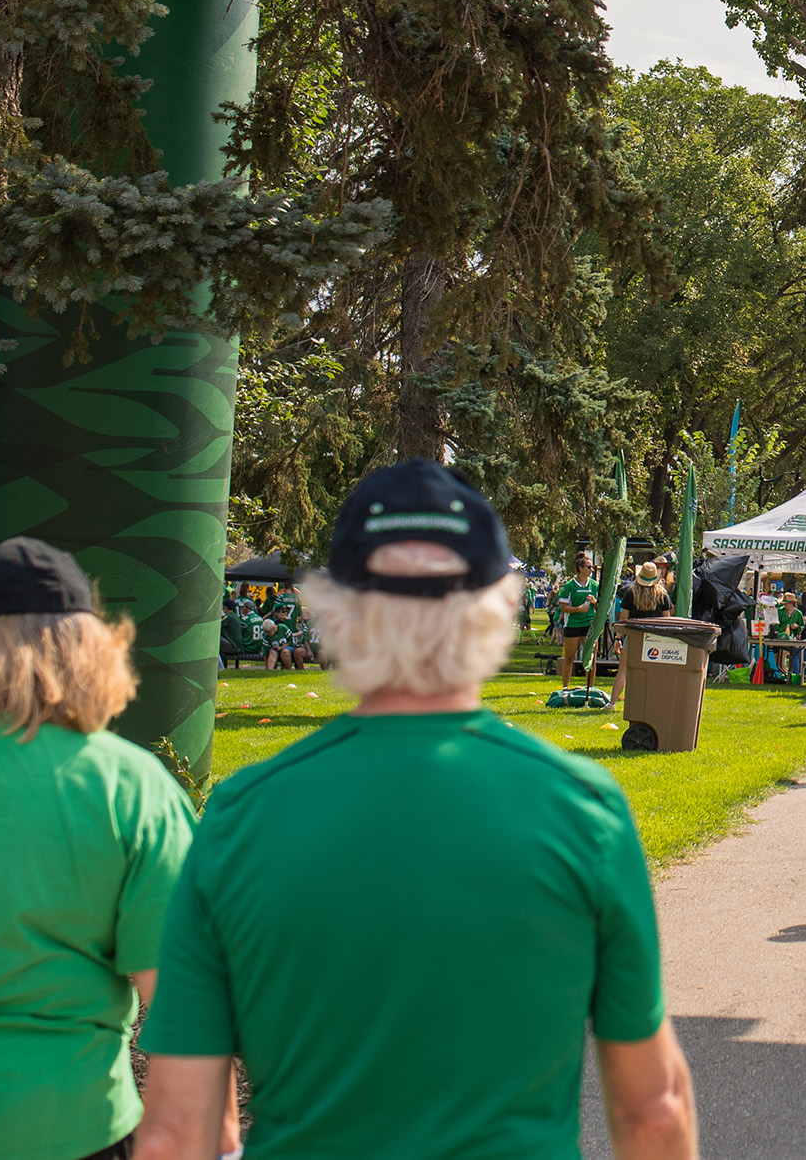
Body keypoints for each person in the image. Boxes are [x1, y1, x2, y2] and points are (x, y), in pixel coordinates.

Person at [134, 460, 694, 1160]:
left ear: (335, 610)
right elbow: (653, 1109)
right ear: (498, 607)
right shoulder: (583, 812)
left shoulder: (240, 816)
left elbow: (174, 1135)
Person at [0, 538, 234, 1160]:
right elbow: (188, 1010)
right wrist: (214, 1143)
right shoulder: (130, 789)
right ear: (91, 654)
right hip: (69, 1129)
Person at [556, 554, 600, 690]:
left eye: (592, 567)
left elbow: (601, 605)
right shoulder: (569, 586)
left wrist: (594, 602)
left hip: (590, 625)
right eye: (589, 567)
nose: (591, 570)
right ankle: (565, 687)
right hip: (573, 625)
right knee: (569, 657)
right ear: (580, 568)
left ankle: (590, 688)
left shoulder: (595, 585)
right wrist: (578, 609)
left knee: (590, 658)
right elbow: (563, 608)